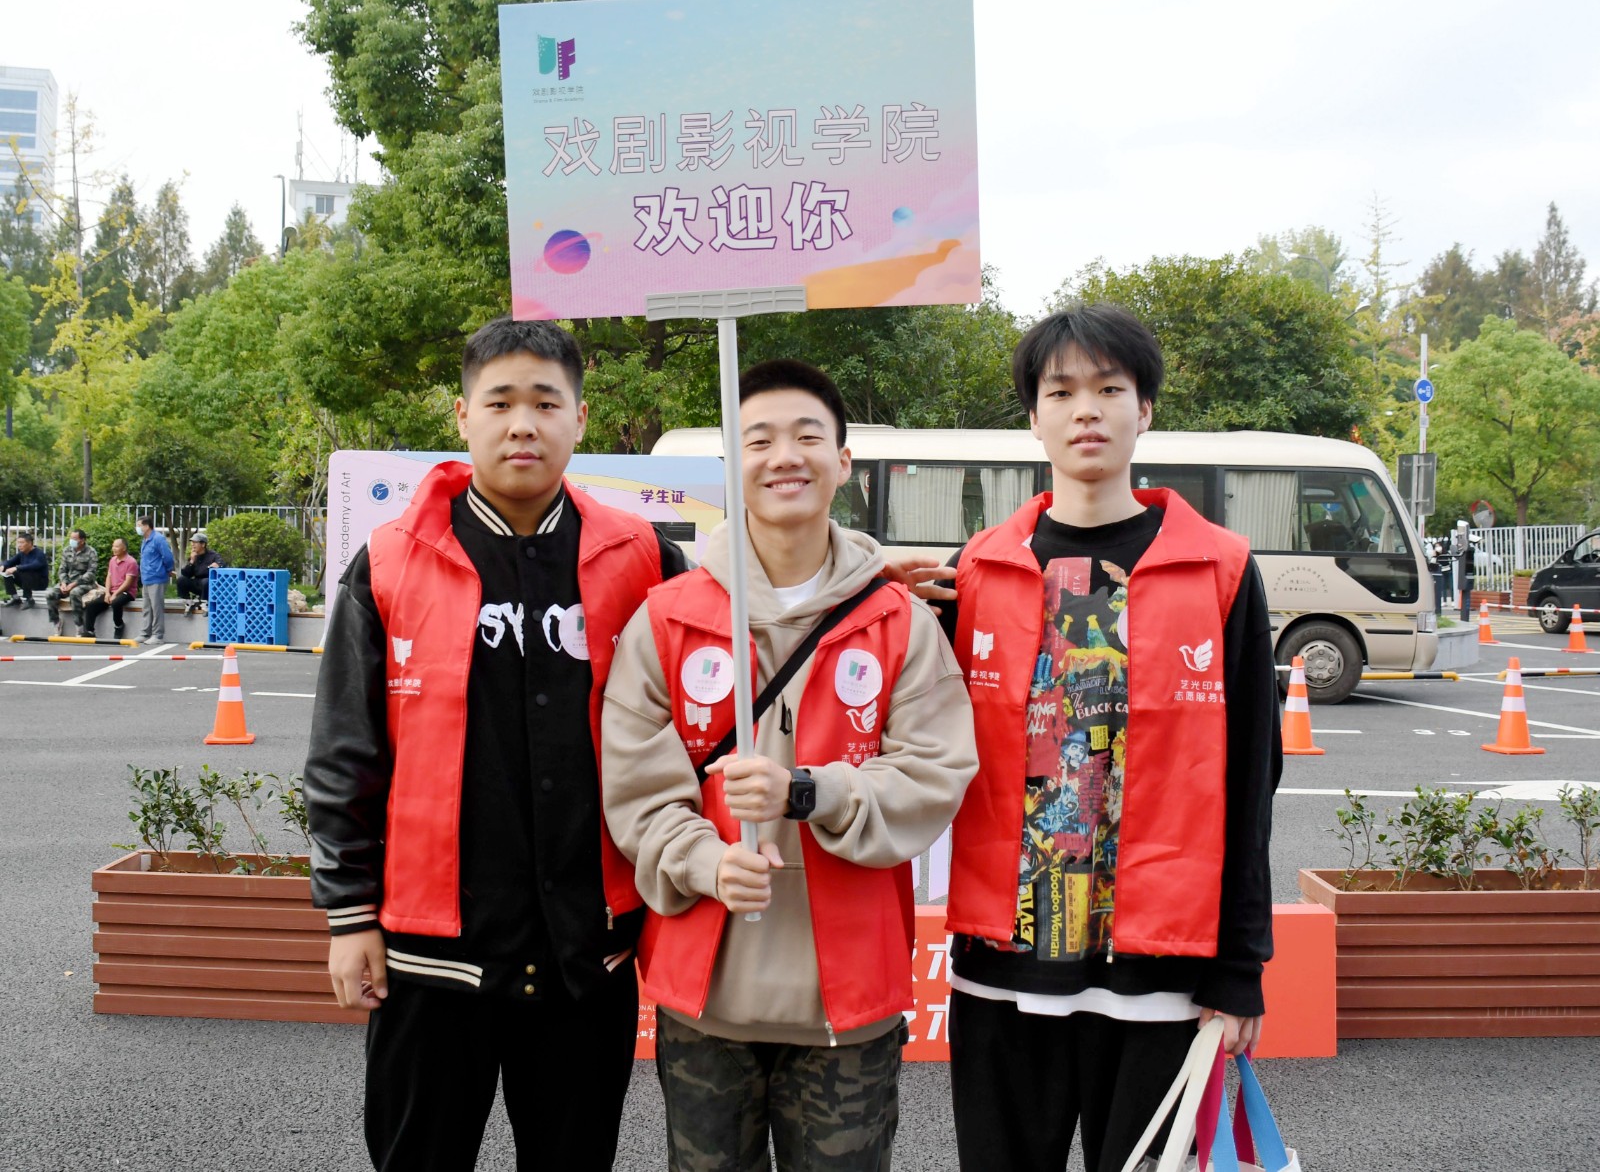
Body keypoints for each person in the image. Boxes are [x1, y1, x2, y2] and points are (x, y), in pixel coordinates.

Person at [304, 316, 691, 1172]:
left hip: (585, 955)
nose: (524, 424)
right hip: (429, 960)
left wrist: (858, 585)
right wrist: (348, 914)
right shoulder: (390, 562)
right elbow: (343, 752)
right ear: (462, 415)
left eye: (546, 403)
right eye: (501, 402)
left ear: (580, 418)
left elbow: (729, 671)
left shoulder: (644, 560)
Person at [928, 305, 1283, 1172]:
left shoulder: (1221, 569)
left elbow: (1251, 777)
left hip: (1160, 977)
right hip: (1003, 969)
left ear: (1144, 408)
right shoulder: (978, 569)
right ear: (1034, 415)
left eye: (1109, 389)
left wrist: (1240, 967)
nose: (1085, 409)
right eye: (1061, 391)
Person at [602, 359, 978, 1172]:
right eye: (759, 439)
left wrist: (812, 790)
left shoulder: (899, 622)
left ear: (843, 461)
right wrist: (704, 860)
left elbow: (935, 771)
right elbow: (635, 790)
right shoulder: (666, 619)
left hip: (849, 1004)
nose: (784, 456)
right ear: (732, 463)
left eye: (808, 436)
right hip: (705, 997)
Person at [85, 537, 139, 639]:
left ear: (124, 548)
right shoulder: (112, 560)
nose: (113, 548)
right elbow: (109, 577)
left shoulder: (131, 562)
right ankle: (89, 631)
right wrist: (107, 593)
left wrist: (115, 594)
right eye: (113, 546)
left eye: (117, 546)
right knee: (92, 605)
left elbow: (128, 582)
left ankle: (119, 625)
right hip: (112, 591)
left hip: (127, 592)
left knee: (116, 603)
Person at [46, 528, 98, 633]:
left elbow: (91, 573)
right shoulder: (67, 550)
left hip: (84, 583)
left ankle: (79, 626)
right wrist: (63, 583)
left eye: (74, 538)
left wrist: (74, 584)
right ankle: (56, 622)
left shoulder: (91, 552)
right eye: (71, 538)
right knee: (50, 594)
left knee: (74, 593)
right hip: (68, 582)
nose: (72, 540)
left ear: (82, 540)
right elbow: (62, 569)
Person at [135, 517, 175, 644]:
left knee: (156, 608)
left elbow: (167, 557)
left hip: (157, 577)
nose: (137, 528)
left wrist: (169, 569)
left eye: (139, 525)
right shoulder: (145, 540)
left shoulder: (158, 539)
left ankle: (158, 635)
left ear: (147, 526)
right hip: (146, 578)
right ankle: (145, 633)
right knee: (147, 608)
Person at [177, 530, 223, 614]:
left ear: (203, 544)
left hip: (208, 584)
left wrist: (217, 565)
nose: (192, 545)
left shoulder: (213, 555)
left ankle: (205, 604)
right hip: (197, 582)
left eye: (195, 542)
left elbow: (220, 564)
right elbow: (186, 574)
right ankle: (188, 602)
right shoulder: (193, 556)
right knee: (181, 580)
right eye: (192, 542)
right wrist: (191, 561)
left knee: (206, 581)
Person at [2, 531, 49, 609]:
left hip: (40, 583)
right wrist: (3, 566)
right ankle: (15, 598)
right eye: (18, 543)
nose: (19, 545)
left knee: (25, 570)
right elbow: (10, 562)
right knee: (7, 571)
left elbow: (35, 565)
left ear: (29, 543)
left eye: (22, 543)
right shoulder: (22, 554)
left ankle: (29, 599)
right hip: (26, 582)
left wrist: (17, 568)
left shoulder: (39, 554)